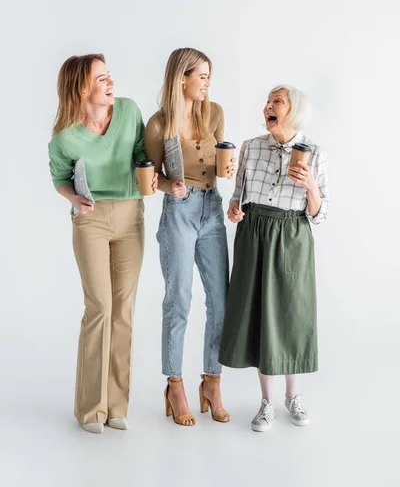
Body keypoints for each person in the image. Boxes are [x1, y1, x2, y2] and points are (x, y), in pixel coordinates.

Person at [48, 54, 157, 434]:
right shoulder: (64, 136)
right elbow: (60, 177)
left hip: (131, 214)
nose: (111, 83)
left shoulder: (128, 111)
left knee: (123, 309)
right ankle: (90, 409)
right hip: (90, 219)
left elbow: (142, 154)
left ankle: (117, 406)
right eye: (102, 79)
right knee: (100, 307)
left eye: (109, 75)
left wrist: (151, 174)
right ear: (81, 88)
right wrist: (73, 199)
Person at [219, 84, 328, 431]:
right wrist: (235, 210)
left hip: (292, 235)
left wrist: (310, 185)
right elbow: (238, 197)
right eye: (267, 101)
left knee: (290, 314)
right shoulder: (250, 147)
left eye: (276, 102)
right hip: (254, 233)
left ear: (293, 110)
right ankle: (266, 402)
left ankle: (292, 396)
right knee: (259, 314)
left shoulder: (314, 152)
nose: (268, 106)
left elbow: (320, 214)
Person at [145, 48, 235, 426]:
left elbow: (220, 162)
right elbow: (149, 179)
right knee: (178, 299)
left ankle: (211, 382)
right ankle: (175, 384)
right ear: (181, 77)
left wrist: (228, 169)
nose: (207, 83)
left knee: (221, 300)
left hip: (212, 209)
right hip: (178, 214)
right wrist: (171, 185)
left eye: (209, 77)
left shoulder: (213, 113)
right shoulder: (157, 124)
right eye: (202, 76)